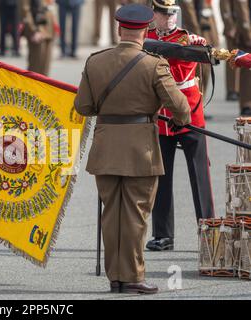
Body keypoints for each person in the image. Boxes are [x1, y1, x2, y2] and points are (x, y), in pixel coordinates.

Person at [74, 4, 191, 294]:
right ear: (146, 31)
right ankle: (133, 276)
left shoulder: (95, 61)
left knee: (111, 213)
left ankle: (116, 277)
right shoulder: (154, 64)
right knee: (136, 214)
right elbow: (181, 109)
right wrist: (175, 118)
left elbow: (83, 106)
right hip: (141, 150)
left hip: (106, 146)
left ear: (118, 29)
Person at [146, 0, 215, 252]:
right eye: (164, 13)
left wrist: (201, 47)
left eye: (173, 12)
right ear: (154, 13)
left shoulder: (187, 38)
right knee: (161, 178)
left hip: (189, 113)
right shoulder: (147, 36)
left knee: (200, 177)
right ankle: (163, 234)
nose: (170, 17)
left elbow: (190, 72)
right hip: (162, 116)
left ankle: (209, 230)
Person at [21, 0, 56, 76]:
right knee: (36, 67)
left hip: (49, 29)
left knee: (45, 68)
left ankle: (43, 87)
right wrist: (34, 30)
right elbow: (25, 11)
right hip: (37, 30)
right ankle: (31, 87)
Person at [220, 0, 240, 101]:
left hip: (243, 28)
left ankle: (240, 89)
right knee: (233, 59)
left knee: (244, 59)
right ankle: (232, 89)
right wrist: (230, 27)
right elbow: (225, 8)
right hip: (233, 29)